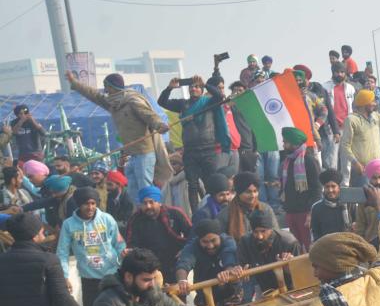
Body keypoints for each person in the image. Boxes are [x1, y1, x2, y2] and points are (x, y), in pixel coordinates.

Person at [67, 71, 169, 201]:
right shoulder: (112, 103)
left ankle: (152, 210)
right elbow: (93, 95)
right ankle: (137, 213)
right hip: (131, 154)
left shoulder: (133, 101)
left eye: (107, 86)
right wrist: (74, 83)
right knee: (132, 189)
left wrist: (160, 125)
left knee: (145, 187)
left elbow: (149, 115)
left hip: (144, 152)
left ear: (113, 87)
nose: (105, 90)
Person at [0, 212, 89, 306]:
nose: (44, 233)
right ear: (34, 235)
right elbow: (61, 298)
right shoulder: (49, 260)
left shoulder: (2, 260)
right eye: (41, 231)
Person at [158, 75, 228, 210]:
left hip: (208, 149)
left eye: (197, 87)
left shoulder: (208, 102)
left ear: (202, 90)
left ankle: (212, 210)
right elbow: (162, 102)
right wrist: (169, 88)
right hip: (190, 150)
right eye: (191, 87)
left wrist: (206, 84)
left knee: (211, 183)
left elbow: (220, 96)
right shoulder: (183, 104)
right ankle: (196, 213)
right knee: (193, 184)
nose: (193, 89)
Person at [57, 186, 126, 306]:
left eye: (93, 203)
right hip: (89, 278)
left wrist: (123, 259)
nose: (90, 208)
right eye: (86, 204)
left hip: (112, 275)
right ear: (78, 204)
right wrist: (64, 276)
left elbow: (119, 244)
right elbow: (62, 252)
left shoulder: (107, 219)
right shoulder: (68, 224)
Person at [126, 186, 191, 284]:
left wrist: (185, 250)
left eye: (151, 202)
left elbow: (192, 234)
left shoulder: (175, 214)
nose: (148, 206)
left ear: (159, 202)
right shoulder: (135, 220)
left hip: (176, 264)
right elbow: (131, 244)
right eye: (144, 203)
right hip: (151, 269)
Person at [175, 219, 242, 306]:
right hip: (205, 299)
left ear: (219, 236)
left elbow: (229, 258)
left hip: (231, 297)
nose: (210, 246)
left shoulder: (228, 242)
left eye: (213, 240)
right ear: (199, 240)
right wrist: (182, 280)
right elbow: (183, 263)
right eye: (205, 242)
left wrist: (228, 272)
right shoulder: (192, 247)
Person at [236, 210, 304, 294]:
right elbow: (241, 268)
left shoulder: (288, 242)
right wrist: (241, 272)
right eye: (255, 232)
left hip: (291, 289)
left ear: (271, 229)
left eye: (263, 231)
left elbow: (300, 273)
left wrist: (288, 267)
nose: (259, 236)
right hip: (263, 291)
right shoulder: (245, 242)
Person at [278, 127, 321, 247]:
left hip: (305, 213)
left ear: (295, 144)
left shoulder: (309, 161)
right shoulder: (287, 161)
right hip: (290, 211)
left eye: (286, 142)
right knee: (294, 247)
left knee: (309, 247)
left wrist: (311, 213)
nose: (283, 145)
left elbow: (317, 189)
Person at [218, 171, 279, 240]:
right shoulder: (225, 214)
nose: (253, 195)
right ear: (239, 192)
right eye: (248, 192)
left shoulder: (266, 209)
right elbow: (221, 240)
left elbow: (275, 234)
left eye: (255, 191)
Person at [322, 62, 356, 170]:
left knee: (347, 158)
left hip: (347, 126)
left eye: (342, 72)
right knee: (331, 158)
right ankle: (332, 182)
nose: (340, 74)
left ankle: (345, 184)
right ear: (333, 73)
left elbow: (353, 107)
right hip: (332, 127)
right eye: (337, 72)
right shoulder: (325, 87)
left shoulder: (350, 88)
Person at [310, 170, 351, 241]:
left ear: (338, 188)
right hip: (326, 247)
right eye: (327, 187)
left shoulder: (349, 204)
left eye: (333, 186)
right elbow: (315, 232)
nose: (330, 190)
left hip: (348, 243)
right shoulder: (316, 208)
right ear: (323, 188)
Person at [227, 81, 259, 174]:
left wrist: (256, 149)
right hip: (233, 149)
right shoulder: (227, 107)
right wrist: (229, 102)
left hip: (248, 148)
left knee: (250, 177)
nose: (237, 92)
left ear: (245, 92)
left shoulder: (250, 107)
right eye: (235, 90)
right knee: (236, 178)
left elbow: (254, 129)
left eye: (240, 90)